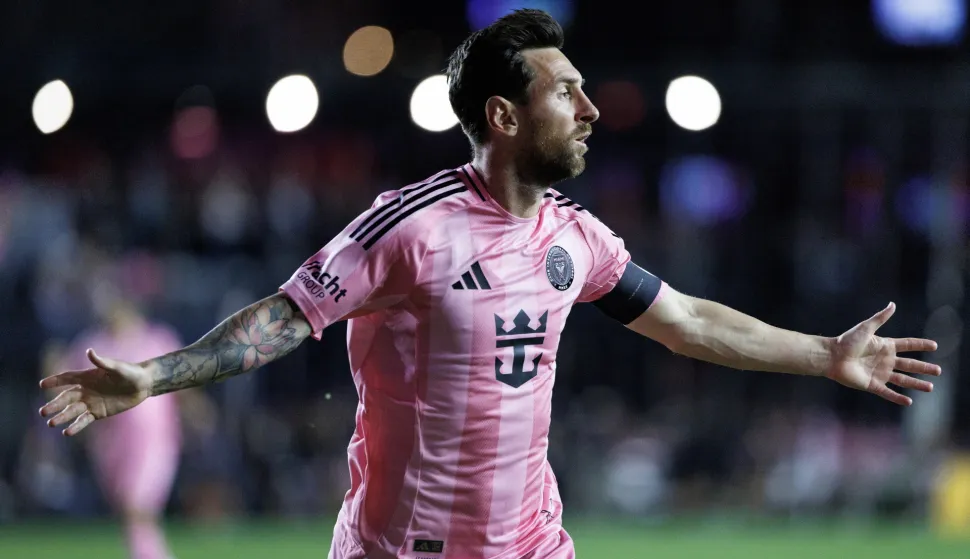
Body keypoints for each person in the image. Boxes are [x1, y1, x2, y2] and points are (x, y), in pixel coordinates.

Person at [38, 9, 942, 559]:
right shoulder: (410, 227)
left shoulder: (573, 237)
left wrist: (825, 354)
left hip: (534, 542)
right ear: (504, 117)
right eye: (568, 93)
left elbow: (688, 319)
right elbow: (282, 317)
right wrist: (153, 375)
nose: (590, 111)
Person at [50, 285, 184, 559]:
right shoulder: (93, 344)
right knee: (129, 511)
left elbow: (184, 380)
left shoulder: (156, 339)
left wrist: (196, 413)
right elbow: (63, 379)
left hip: (154, 439)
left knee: (138, 506)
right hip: (109, 442)